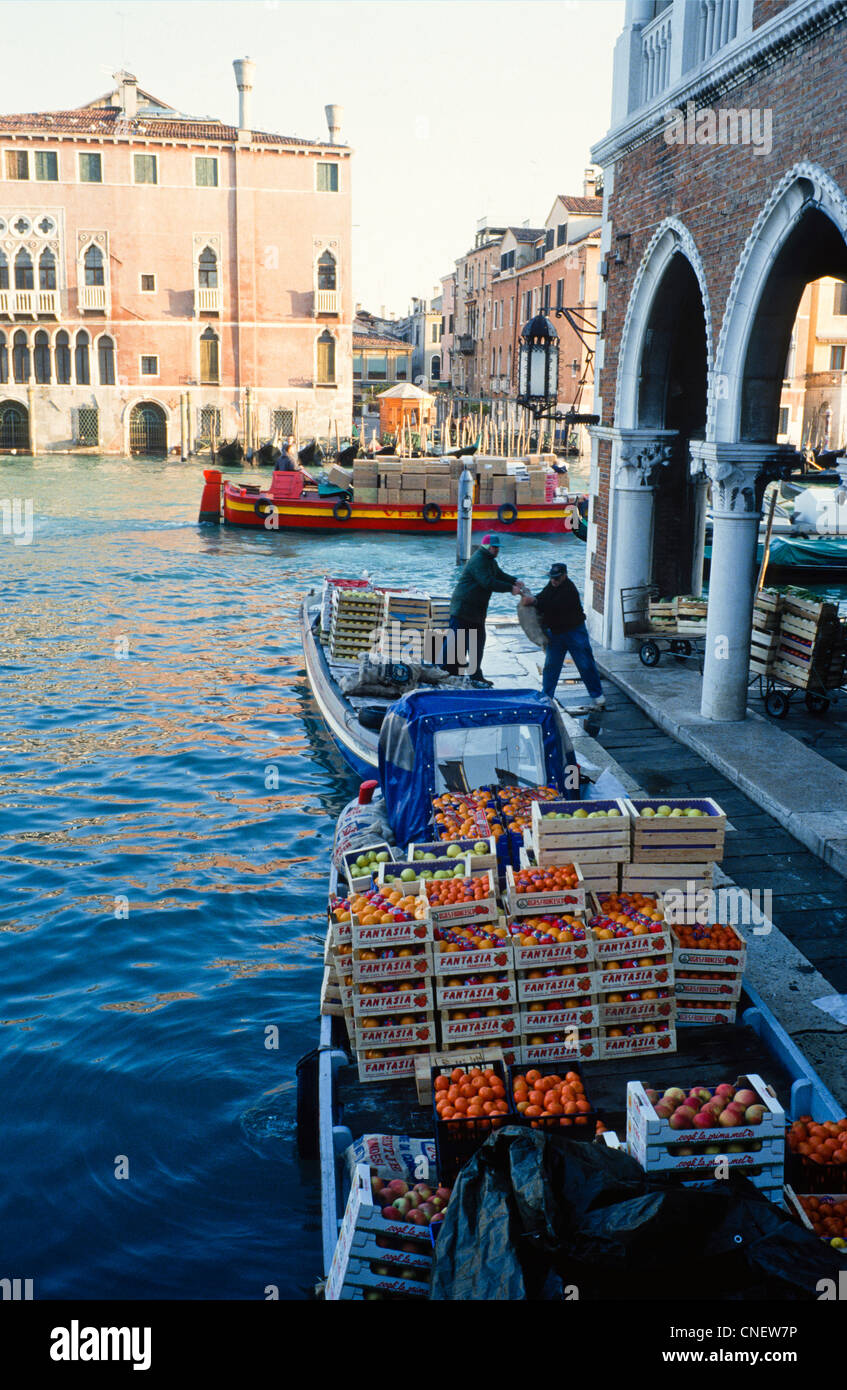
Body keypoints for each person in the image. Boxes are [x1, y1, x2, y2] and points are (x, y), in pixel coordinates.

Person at [442, 533, 526, 687]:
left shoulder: (489, 560)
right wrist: (510, 588)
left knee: (477, 642)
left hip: (475, 611)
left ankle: (475, 676)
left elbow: (498, 574)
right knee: (455, 643)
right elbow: (487, 582)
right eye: (494, 548)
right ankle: (443, 672)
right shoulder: (479, 560)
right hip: (463, 609)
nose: (497, 550)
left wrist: (514, 580)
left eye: (498, 548)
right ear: (487, 547)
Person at [522, 561, 605, 708]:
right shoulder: (551, 586)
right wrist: (531, 597)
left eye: (557, 578)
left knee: (585, 664)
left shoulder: (570, 590)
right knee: (551, 666)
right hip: (555, 634)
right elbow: (543, 597)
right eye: (552, 577)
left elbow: (553, 606)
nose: (553, 581)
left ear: (565, 576)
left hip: (574, 632)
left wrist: (534, 601)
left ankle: (597, 695)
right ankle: (547, 697)